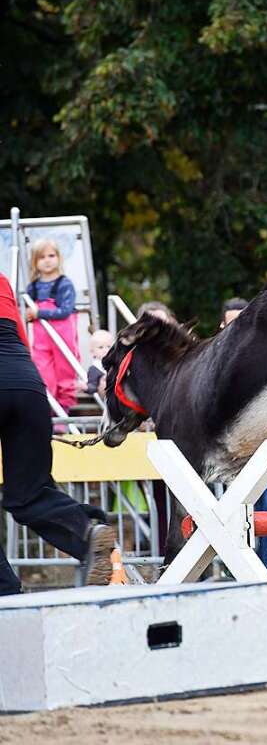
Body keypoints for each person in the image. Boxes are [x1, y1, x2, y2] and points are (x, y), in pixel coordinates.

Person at [0, 273, 118, 596]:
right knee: (28, 494)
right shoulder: (2, 281)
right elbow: (23, 342)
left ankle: (6, 594)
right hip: (28, 385)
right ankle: (85, 531)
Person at [221, 296, 267, 581]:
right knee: (238, 513)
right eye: (232, 323)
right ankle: (244, 577)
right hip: (237, 452)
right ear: (222, 327)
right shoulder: (214, 365)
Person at [24, 239, 80, 413]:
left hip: (63, 338)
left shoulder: (65, 284)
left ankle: (64, 414)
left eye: (51, 255)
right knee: (43, 375)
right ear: (35, 262)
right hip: (41, 341)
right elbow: (27, 313)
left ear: (59, 258)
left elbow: (65, 311)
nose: (47, 260)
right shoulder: (31, 288)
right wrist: (29, 315)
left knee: (65, 376)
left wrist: (38, 313)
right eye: (42, 257)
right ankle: (47, 413)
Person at [80, 329, 114, 396]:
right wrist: (85, 387)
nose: (106, 350)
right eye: (100, 347)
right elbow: (93, 386)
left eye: (109, 347)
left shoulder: (115, 364)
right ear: (92, 352)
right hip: (107, 396)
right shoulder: (95, 368)